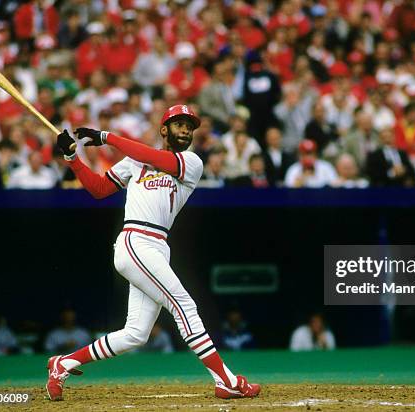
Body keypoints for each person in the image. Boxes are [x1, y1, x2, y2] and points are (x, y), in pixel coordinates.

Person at [47, 104, 260, 401]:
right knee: (184, 306)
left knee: (136, 333)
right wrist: (73, 158)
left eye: (189, 126)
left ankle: (63, 363)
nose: (186, 130)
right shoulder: (134, 162)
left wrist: (108, 137)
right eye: (179, 124)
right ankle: (225, 380)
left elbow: (151, 156)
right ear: (164, 129)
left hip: (158, 245)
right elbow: (98, 188)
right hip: (135, 240)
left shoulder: (191, 161)